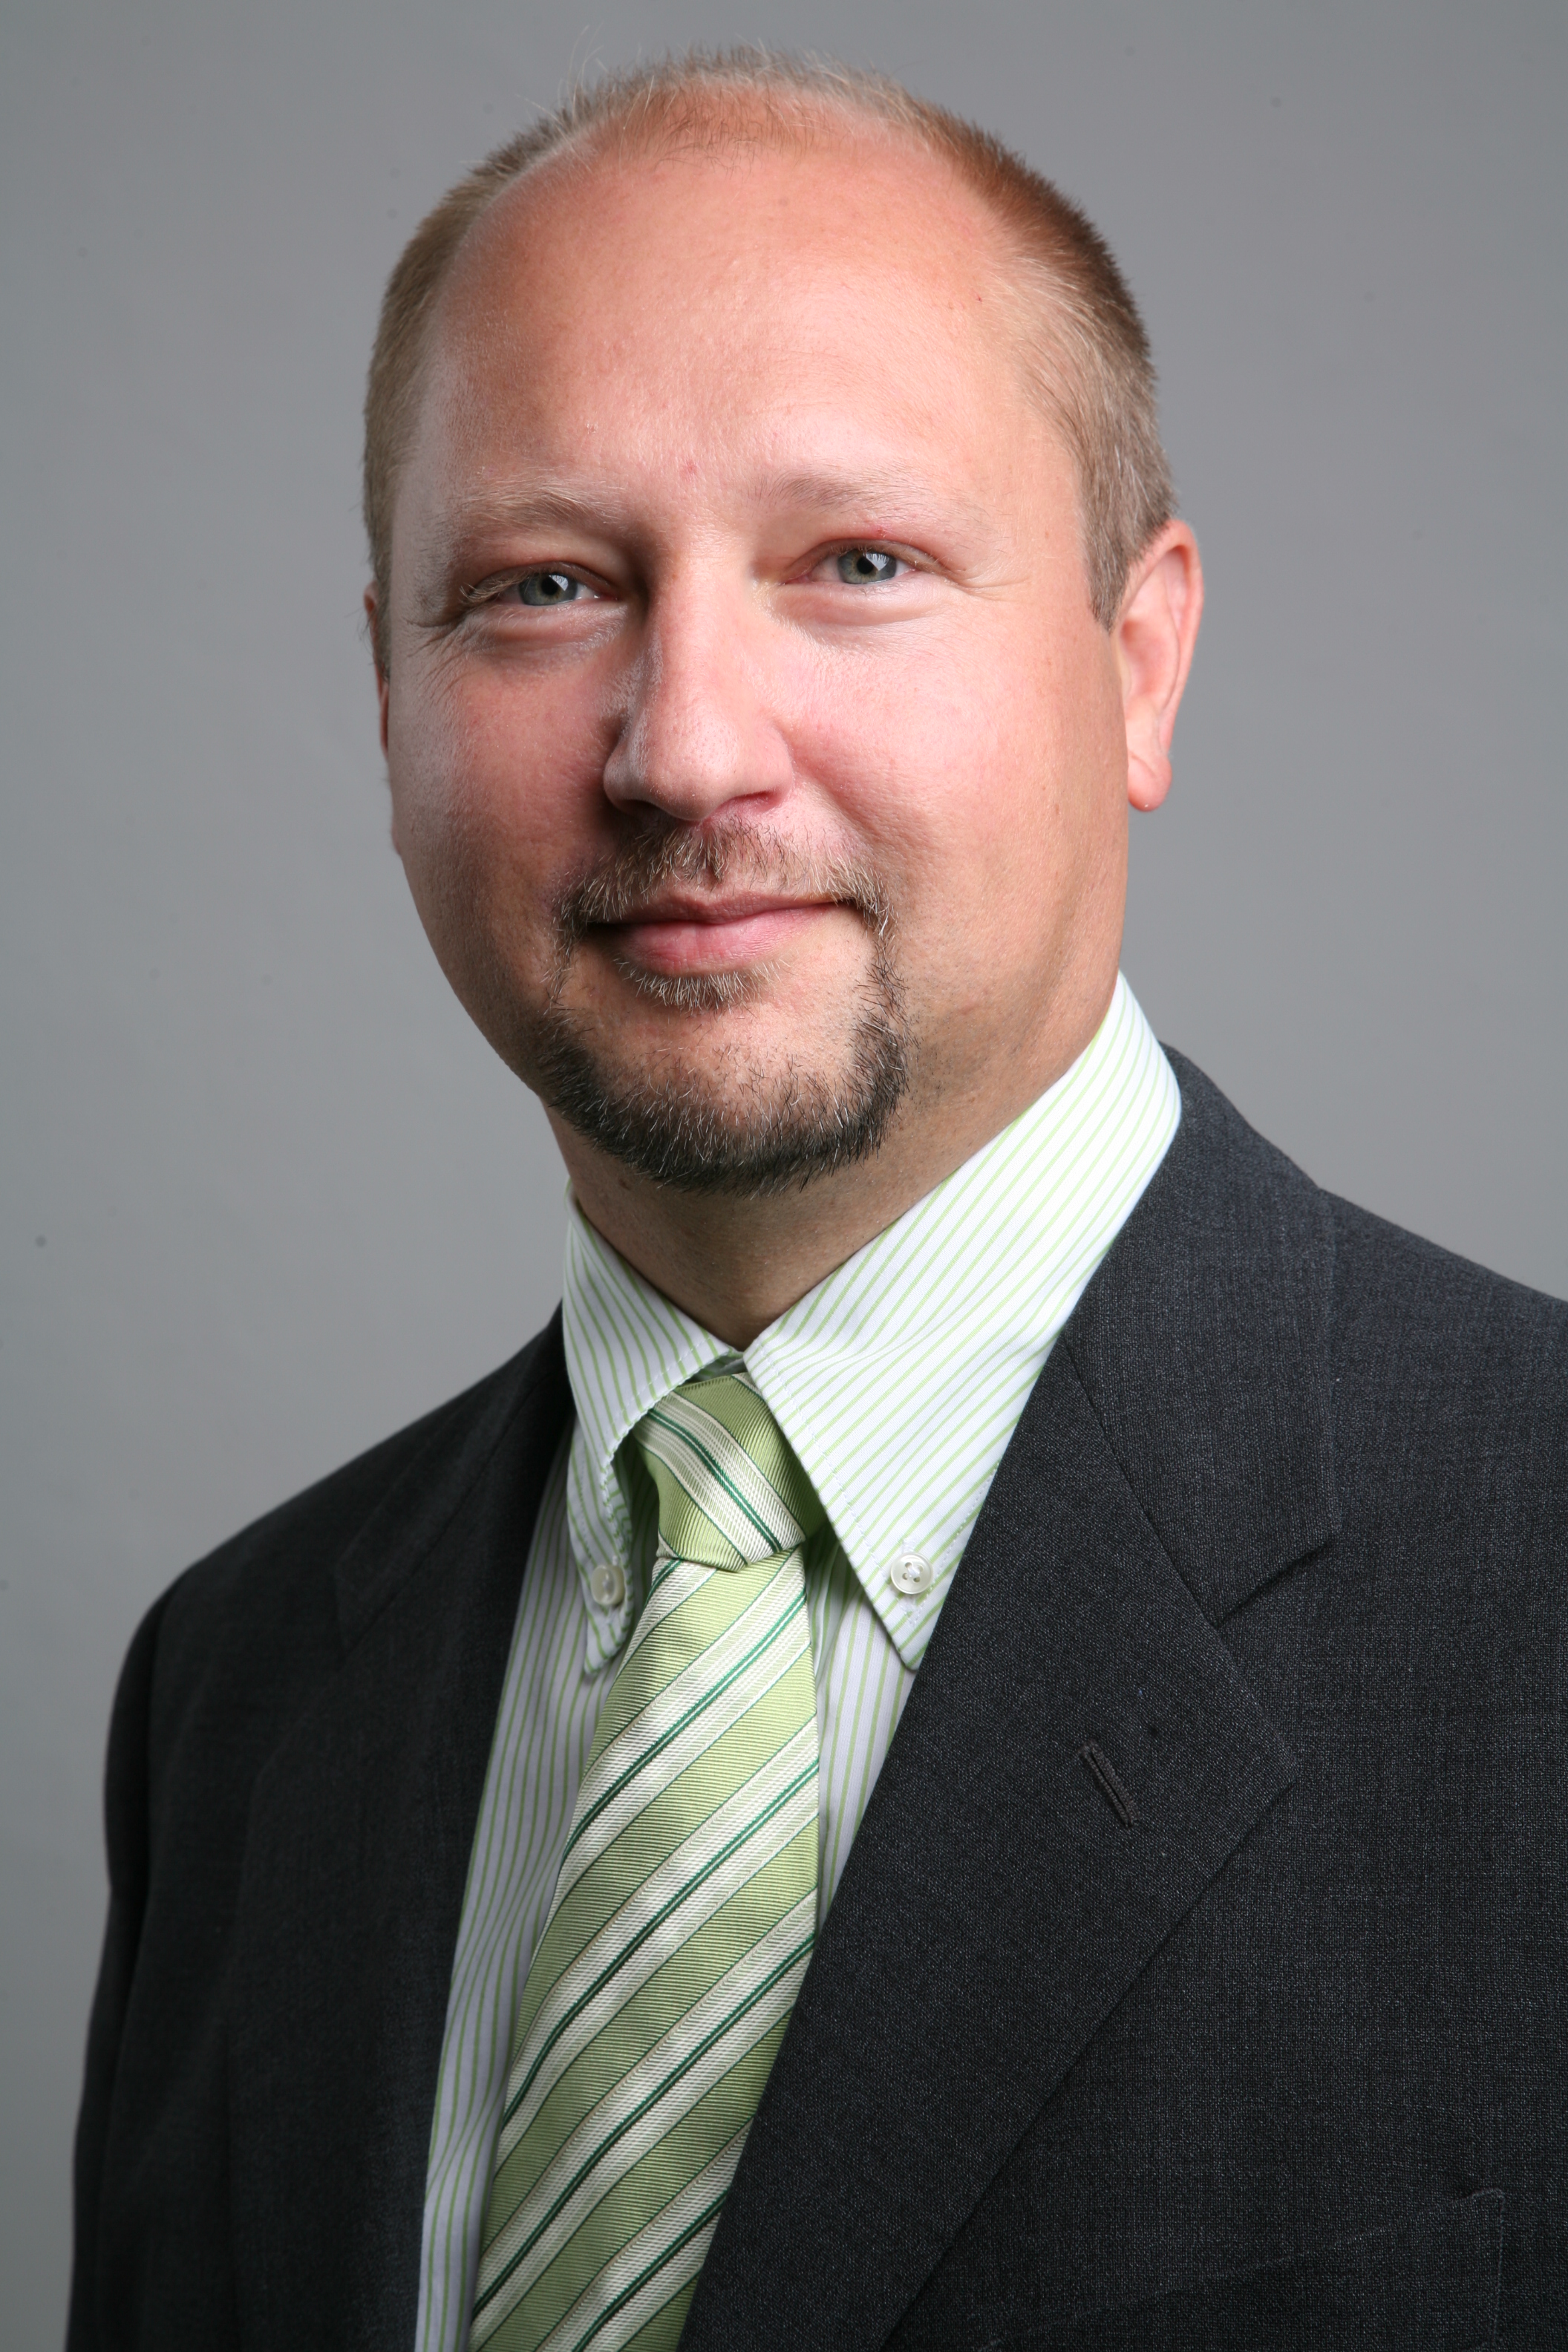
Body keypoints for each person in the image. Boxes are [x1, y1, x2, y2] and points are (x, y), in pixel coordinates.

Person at [68, 50, 1567, 2352]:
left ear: (1140, 659)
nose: (684, 747)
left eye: (857, 564)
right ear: (384, 694)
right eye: (545, 587)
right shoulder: (238, 1699)